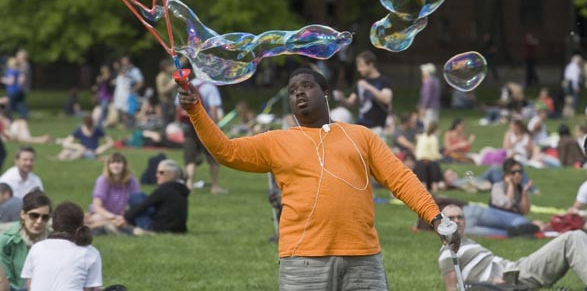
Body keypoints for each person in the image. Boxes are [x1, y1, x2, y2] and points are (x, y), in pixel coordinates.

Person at [178, 67, 458, 289]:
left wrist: (434, 217)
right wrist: (196, 110)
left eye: (307, 86)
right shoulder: (277, 141)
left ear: (326, 93)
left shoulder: (360, 135)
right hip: (303, 260)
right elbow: (226, 151)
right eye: (292, 91)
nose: (299, 93)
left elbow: (401, 179)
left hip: (362, 256)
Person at [438, 204, 587, 290]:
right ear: (441, 224)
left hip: (516, 269)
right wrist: (490, 287)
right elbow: (454, 288)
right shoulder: (448, 252)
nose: (457, 220)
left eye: (460, 217)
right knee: (572, 238)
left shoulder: (467, 243)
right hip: (513, 277)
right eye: (451, 217)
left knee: (575, 236)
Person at [21, 201, 102, 291]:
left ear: (53, 223)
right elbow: (90, 289)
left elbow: (30, 285)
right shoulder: (90, 252)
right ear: (80, 224)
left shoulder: (36, 248)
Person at [179, 77, 227, 193]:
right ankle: (214, 186)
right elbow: (213, 109)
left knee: (190, 155)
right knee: (212, 156)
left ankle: (189, 185)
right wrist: (215, 127)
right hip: (205, 126)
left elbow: (180, 107)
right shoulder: (210, 87)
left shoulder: (186, 86)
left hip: (189, 125)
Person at [333, 50, 393, 137]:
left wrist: (368, 87)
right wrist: (342, 98)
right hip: (361, 126)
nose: (359, 69)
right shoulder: (360, 83)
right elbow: (350, 102)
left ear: (371, 64)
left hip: (377, 128)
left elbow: (386, 99)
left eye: (361, 66)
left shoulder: (384, 81)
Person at [0, 189, 51, 291]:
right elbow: (5, 282)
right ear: (23, 214)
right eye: (34, 216)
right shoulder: (6, 241)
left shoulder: (54, 240)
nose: (39, 221)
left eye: (45, 217)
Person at [124, 159, 189, 234]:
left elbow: (144, 205)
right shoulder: (181, 189)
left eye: (161, 172)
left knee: (135, 197)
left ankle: (131, 226)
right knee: (141, 196)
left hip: (159, 228)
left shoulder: (164, 189)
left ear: (172, 174)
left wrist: (125, 216)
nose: (157, 175)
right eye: (157, 172)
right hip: (179, 229)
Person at [87, 153, 140, 231]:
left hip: (123, 215)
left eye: (118, 162)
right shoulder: (102, 180)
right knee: (98, 218)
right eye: (112, 163)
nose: (115, 165)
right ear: (108, 165)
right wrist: (112, 217)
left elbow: (136, 202)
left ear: (124, 165)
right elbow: (97, 206)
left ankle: (111, 227)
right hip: (105, 214)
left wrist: (123, 216)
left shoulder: (132, 181)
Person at [414, 122, 444, 192]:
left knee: (422, 179)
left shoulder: (422, 137)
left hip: (420, 161)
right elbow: (434, 153)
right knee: (435, 169)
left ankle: (423, 191)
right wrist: (441, 156)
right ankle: (435, 190)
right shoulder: (433, 138)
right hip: (431, 161)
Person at [418, 63, 441, 129]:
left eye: (423, 71)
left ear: (428, 72)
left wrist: (422, 108)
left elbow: (426, 96)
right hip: (436, 106)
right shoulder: (437, 80)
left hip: (428, 108)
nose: (422, 73)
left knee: (427, 126)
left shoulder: (427, 81)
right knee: (434, 126)